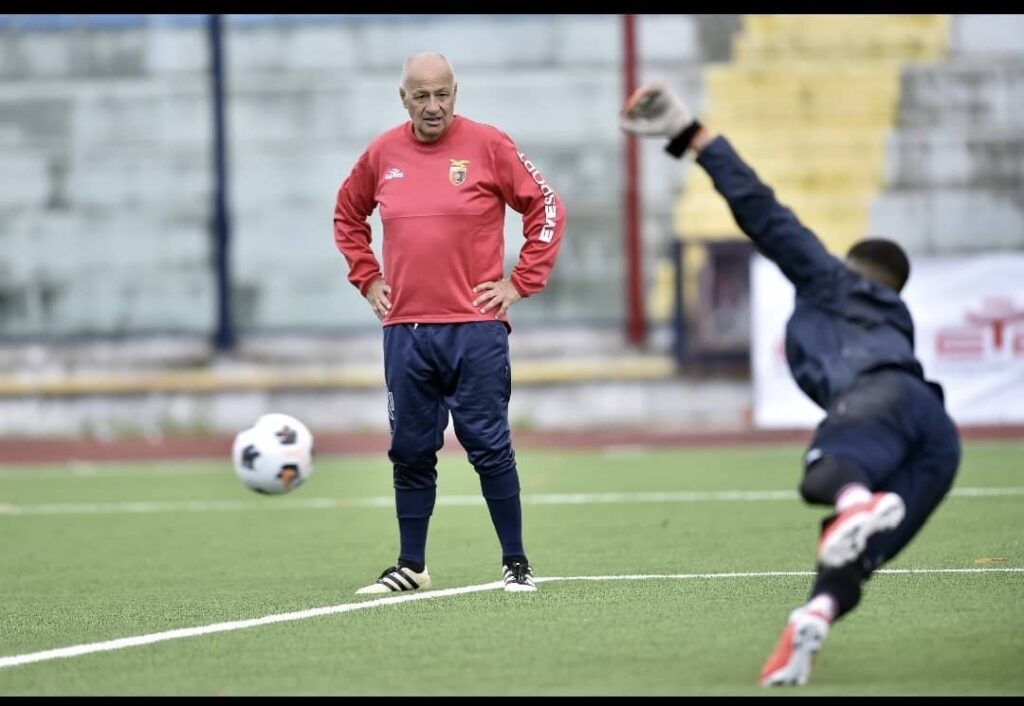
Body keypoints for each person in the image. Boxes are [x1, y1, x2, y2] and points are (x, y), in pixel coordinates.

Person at [619, 83, 961, 687]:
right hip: (937, 435)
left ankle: (858, 502)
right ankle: (814, 617)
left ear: (851, 266)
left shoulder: (831, 280)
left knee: (824, 479)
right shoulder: (893, 318)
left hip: (877, 396)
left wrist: (692, 136)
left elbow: (764, 212)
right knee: (852, 550)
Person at [333, 52, 566, 595]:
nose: (433, 106)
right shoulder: (382, 154)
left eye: (442, 94)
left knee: (488, 445)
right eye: (422, 96)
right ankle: (411, 566)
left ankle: (516, 563)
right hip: (406, 330)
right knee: (410, 450)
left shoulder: (489, 145)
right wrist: (368, 277)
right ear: (404, 98)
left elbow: (547, 208)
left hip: (474, 329)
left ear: (455, 93)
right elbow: (347, 214)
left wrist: (519, 283)